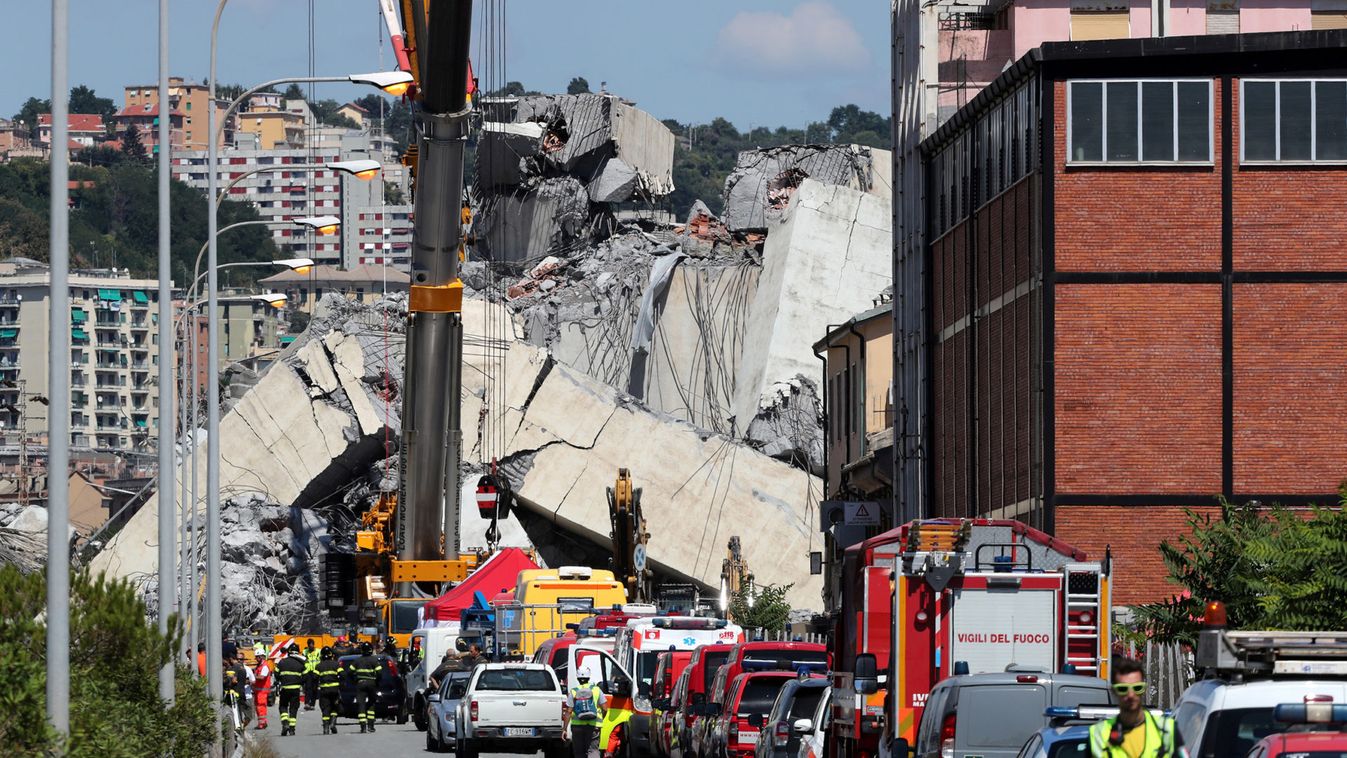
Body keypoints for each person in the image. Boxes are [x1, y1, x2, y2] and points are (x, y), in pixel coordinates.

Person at [1089, 657, 1181, 758]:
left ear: (1144, 689)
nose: (1131, 695)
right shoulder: (1098, 735)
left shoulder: (1167, 730)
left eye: (1137, 688)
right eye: (1123, 689)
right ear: (1114, 691)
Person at [565, 669, 605, 758]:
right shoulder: (597, 690)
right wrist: (601, 719)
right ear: (589, 677)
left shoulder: (573, 691)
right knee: (593, 750)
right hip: (594, 725)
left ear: (578, 678)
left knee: (579, 753)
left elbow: (568, 711)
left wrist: (564, 729)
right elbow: (605, 708)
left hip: (577, 726)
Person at [275, 643, 308, 737]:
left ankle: (285, 723)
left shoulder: (282, 662)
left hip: (285, 688)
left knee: (283, 707)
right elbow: (305, 676)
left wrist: (281, 680)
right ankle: (292, 729)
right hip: (295, 690)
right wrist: (299, 682)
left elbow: (276, 674)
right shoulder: (300, 663)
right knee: (293, 709)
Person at [352, 641, 383, 733]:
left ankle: (362, 726)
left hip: (360, 684)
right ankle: (371, 725)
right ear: (371, 650)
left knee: (361, 704)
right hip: (371, 684)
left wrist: (355, 680)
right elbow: (379, 673)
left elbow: (350, 672)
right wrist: (377, 682)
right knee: (371, 703)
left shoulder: (357, 660)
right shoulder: (374, 660)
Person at [316, 647, 343, 735]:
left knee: (325, 709)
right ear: (331, 655)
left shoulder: (319, 665)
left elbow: (314, 677)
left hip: (324, 691)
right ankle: (333, 723)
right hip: (335, 691)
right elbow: (343, 674)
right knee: (335, 707)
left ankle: (326, 728)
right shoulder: (336, 664)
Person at [253, 653, 273, 730]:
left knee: (261, 706)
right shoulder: (260, 666)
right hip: (259, 690)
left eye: (257, 657)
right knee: (258, 707)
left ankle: (262, 723)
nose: (256, 659)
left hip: (262, 691)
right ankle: (262, 722)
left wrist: (253, 677)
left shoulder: (264, 666)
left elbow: (262, 677)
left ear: (261, 657)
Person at [303, 639, 321, 711]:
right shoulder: (305, 652)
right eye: (309, 645)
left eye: (312, 645)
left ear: (314, 645)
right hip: (308, 672)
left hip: (316, 672)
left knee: (314, 689)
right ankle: (307, 703)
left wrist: (318, 671)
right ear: (308, 646)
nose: (311, 647)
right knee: (308, 688)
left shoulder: (318, 651)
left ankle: (312, 704)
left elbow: (320, 661)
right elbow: (303, 662)